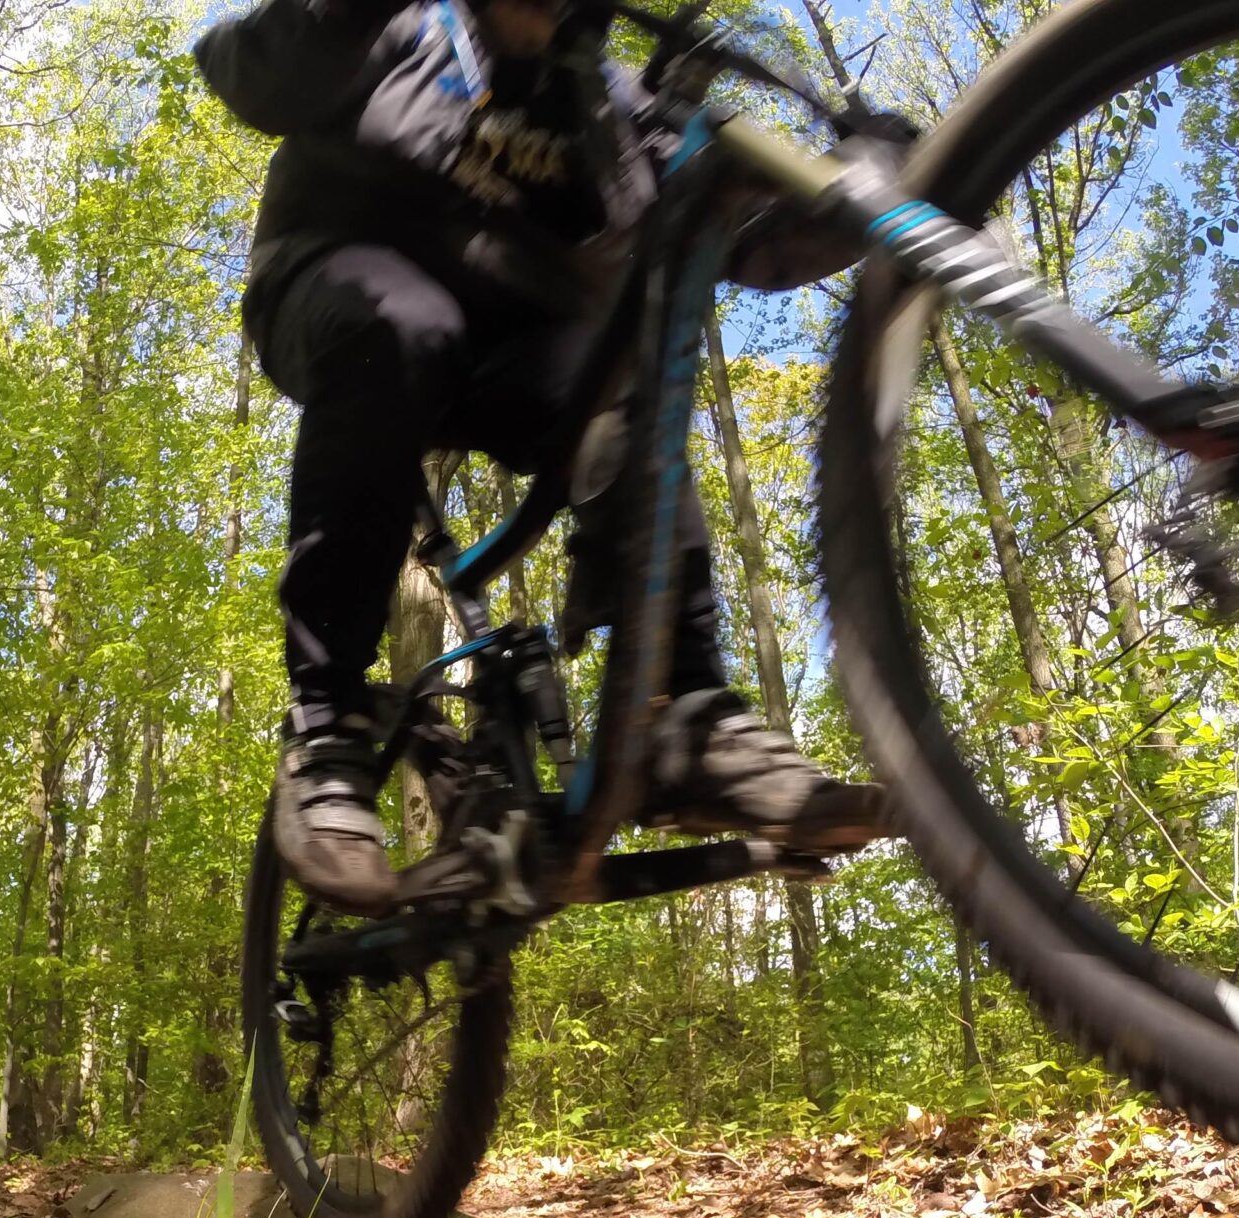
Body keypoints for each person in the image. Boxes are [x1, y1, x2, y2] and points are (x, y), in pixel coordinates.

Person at [195, 0, 895, 914]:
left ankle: (683, 711)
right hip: (337, 283)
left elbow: (751, 239)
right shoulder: (406, 23)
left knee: (627, 377)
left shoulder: (612, 104)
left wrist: (877, 178)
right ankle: (327, 716)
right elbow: (245, 68)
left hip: (512, 354)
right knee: (405, 323)